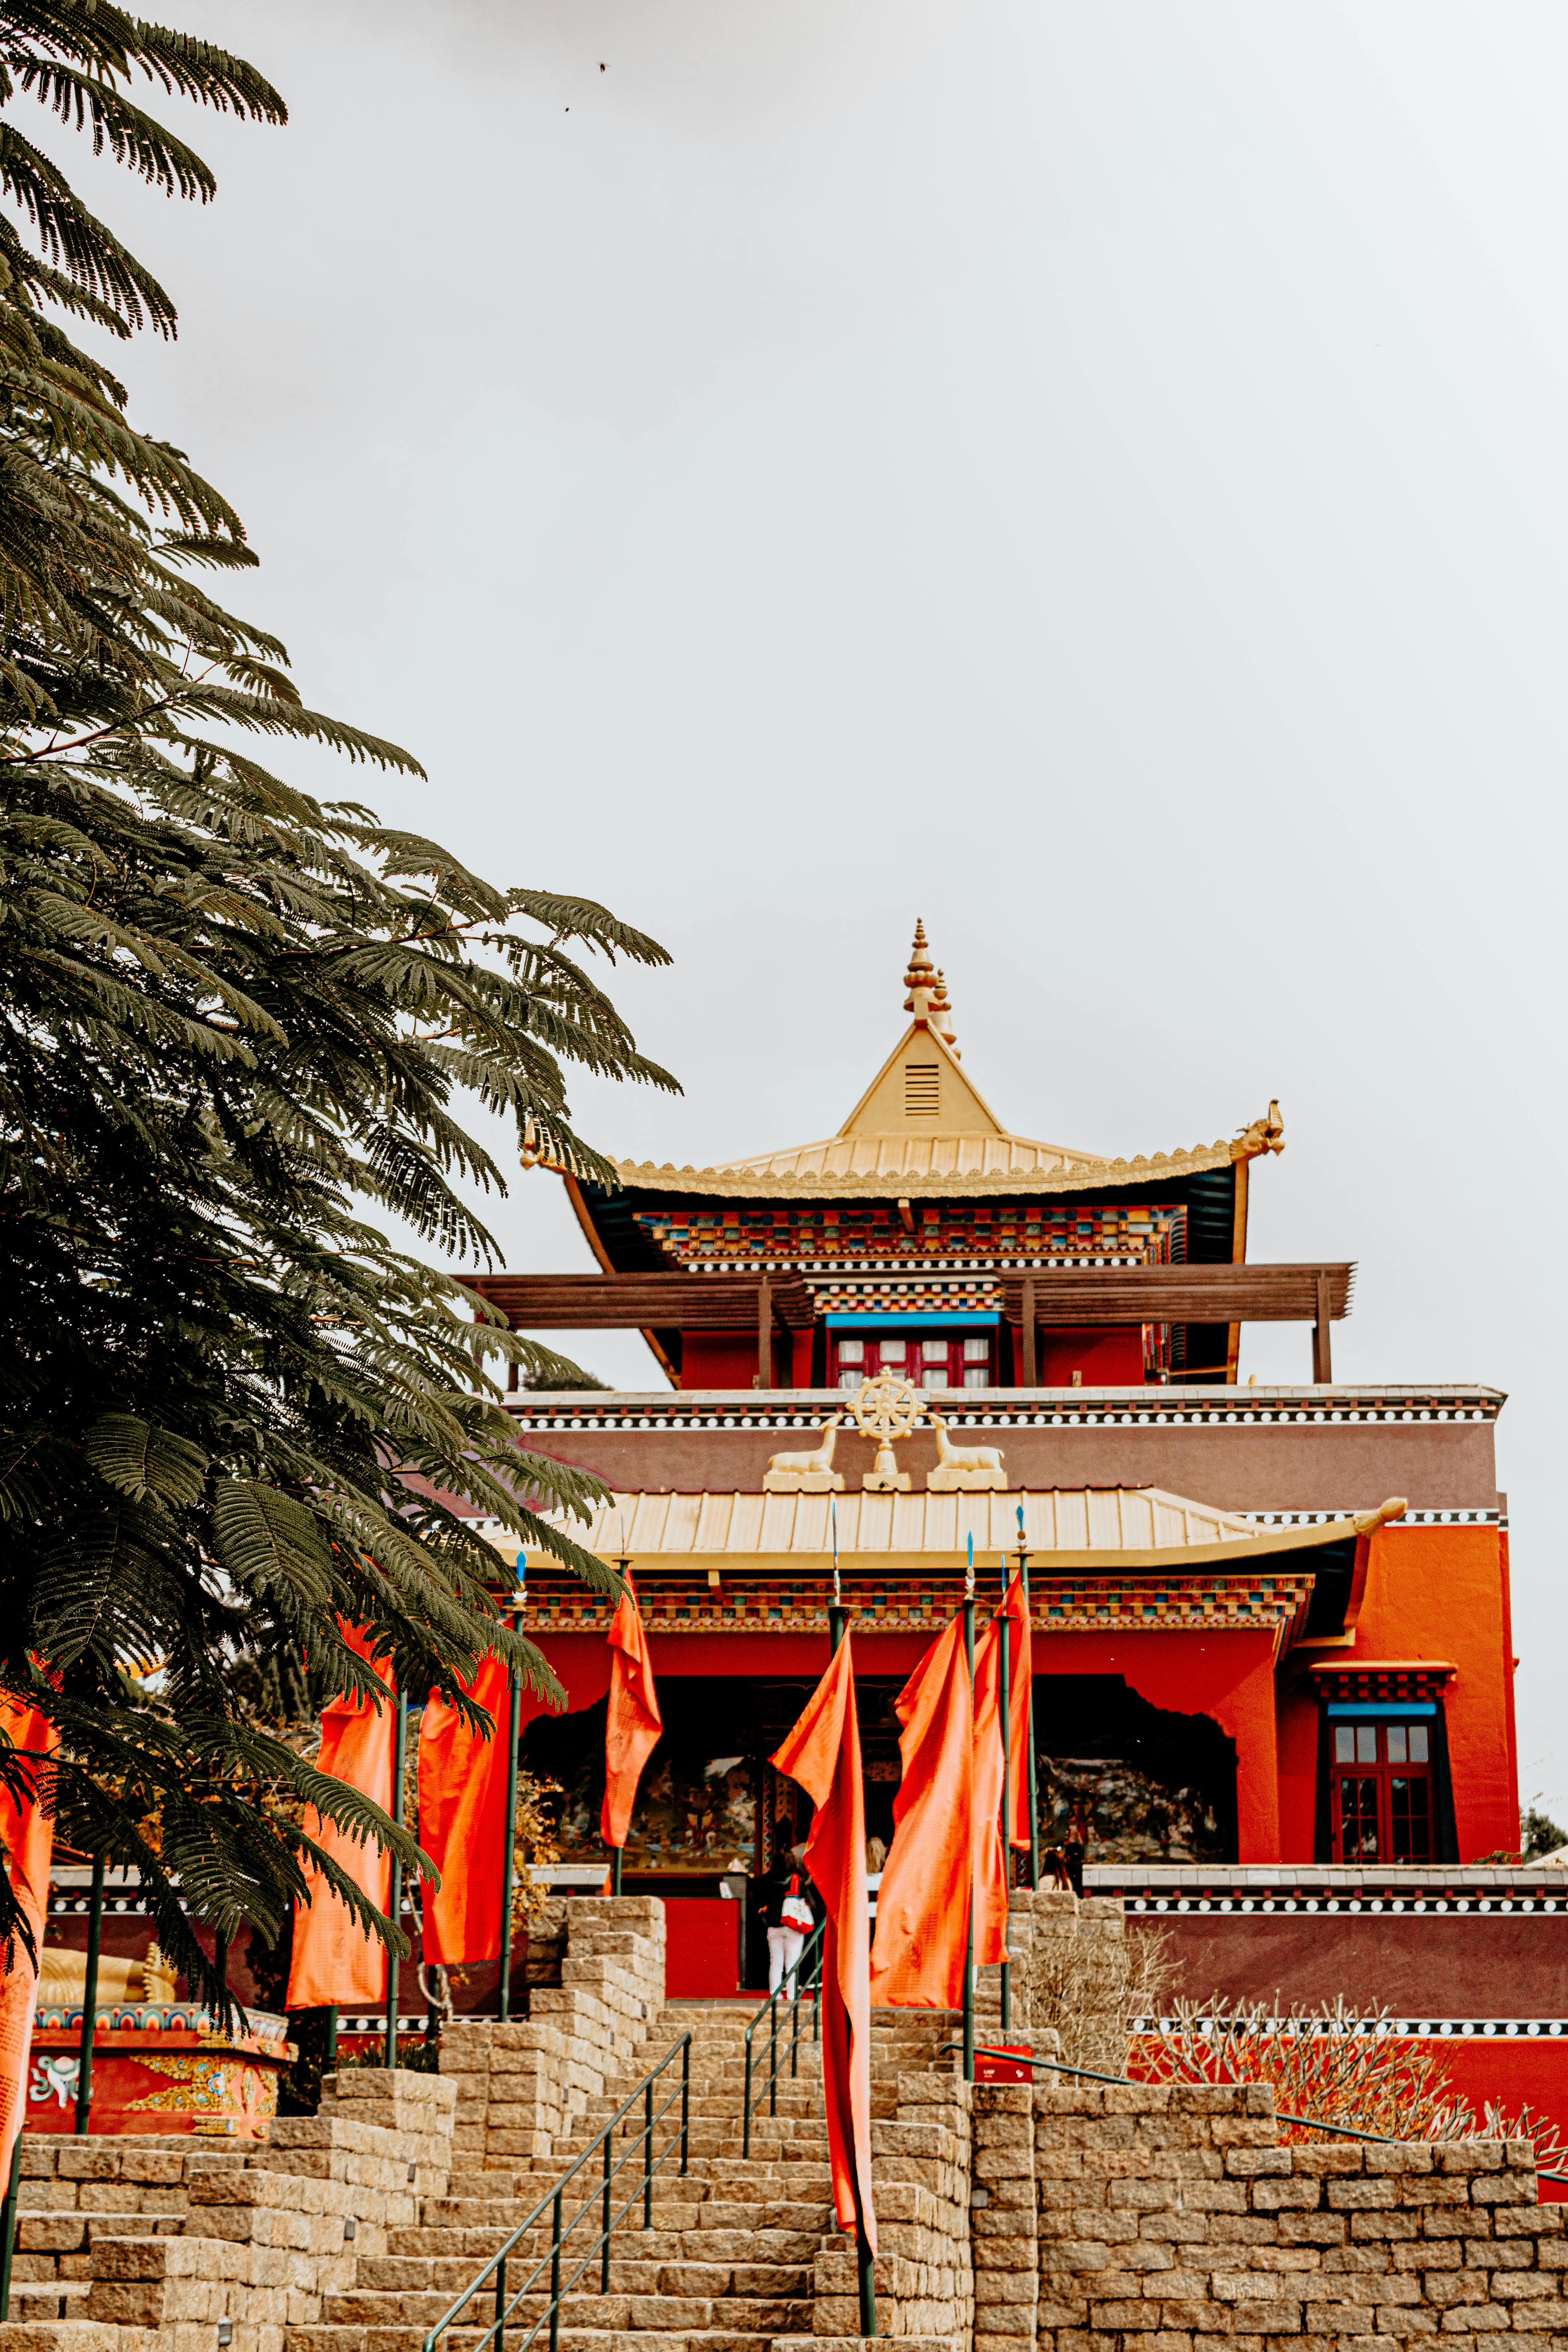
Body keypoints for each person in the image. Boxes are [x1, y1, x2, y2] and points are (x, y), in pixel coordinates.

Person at [759, 1852, 814, 1997]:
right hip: (793, 1926)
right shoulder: (796, 1880)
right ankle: (791, 1995)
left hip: (773, 1927)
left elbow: (759, 1902)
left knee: (776, 1962)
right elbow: (811, 1903)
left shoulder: (766, 1881)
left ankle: (775, 1994)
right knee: (792, 1963)